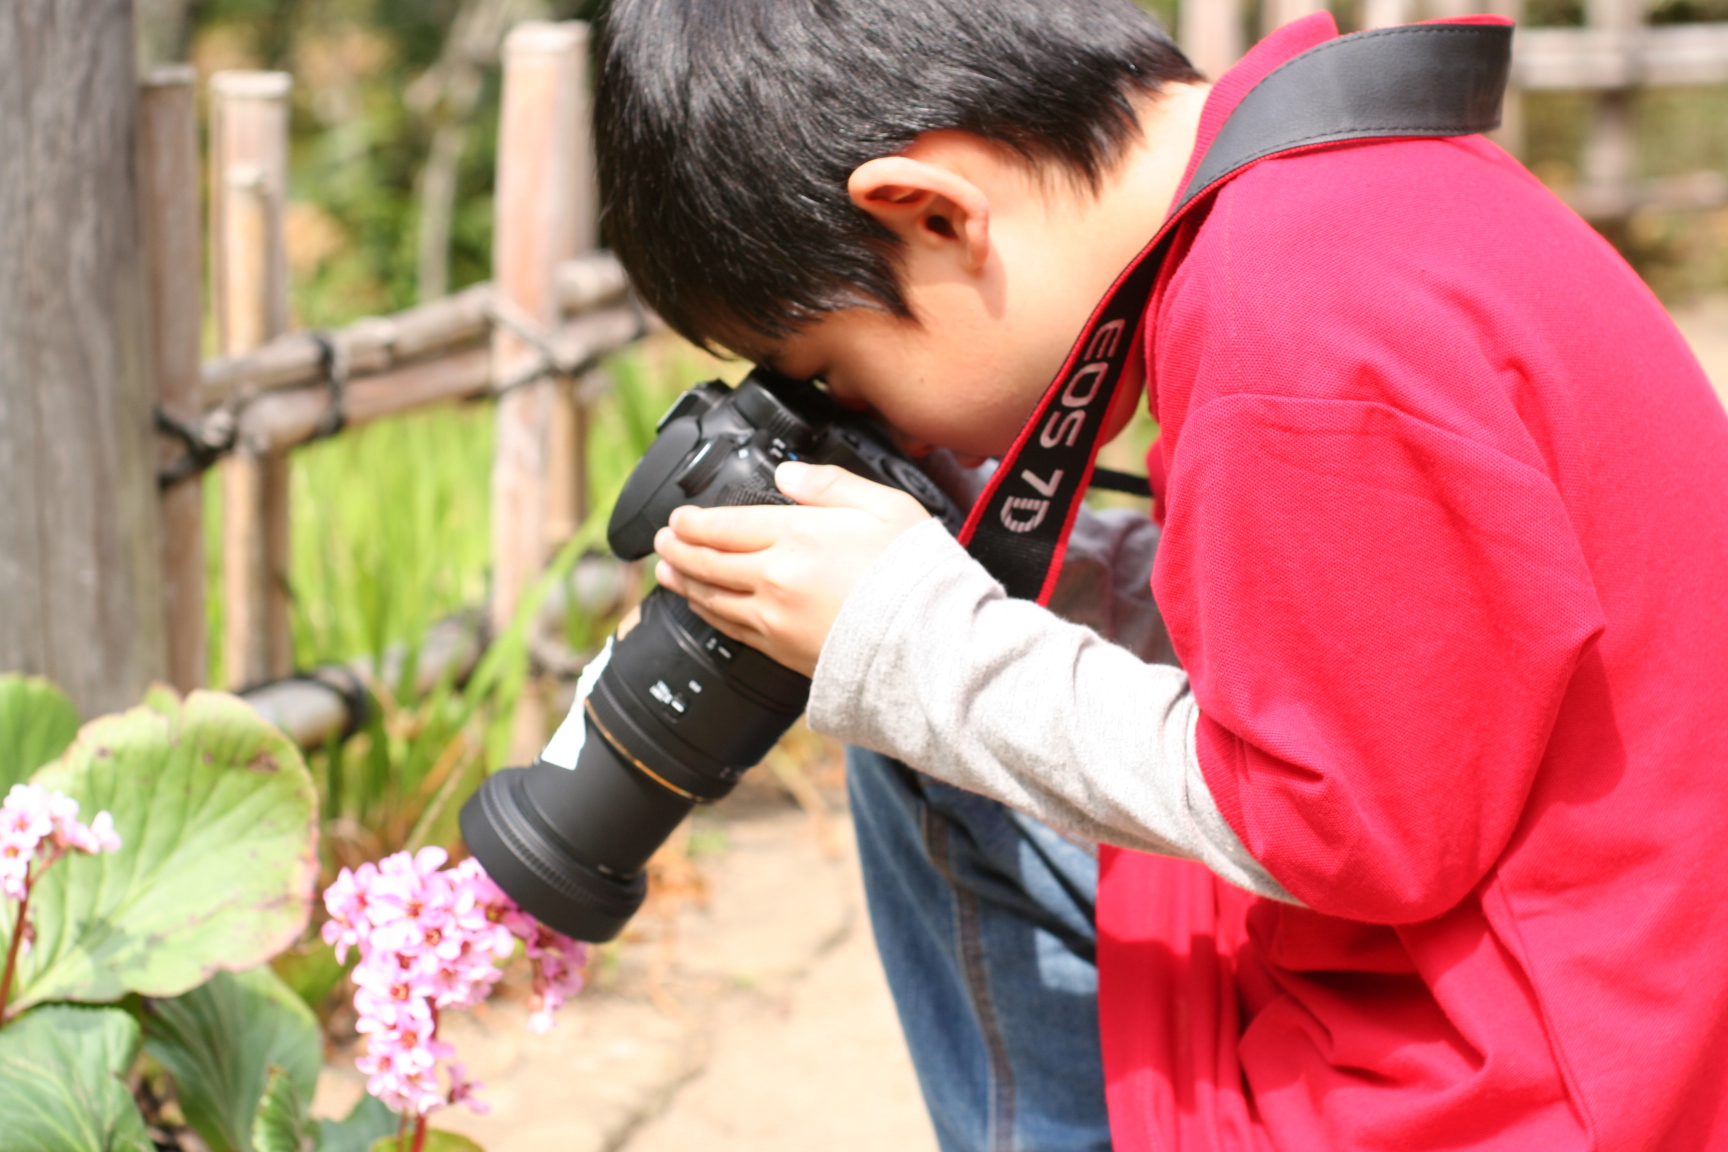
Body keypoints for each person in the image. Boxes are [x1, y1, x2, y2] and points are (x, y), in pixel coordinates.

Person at [592, 0, 1728, 1148]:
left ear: (934, 214)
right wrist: (1010, 573)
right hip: (1616, 982)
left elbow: (1352, 826)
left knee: (921, 723)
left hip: (1521, 1089)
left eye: (836, 373)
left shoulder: (1288, 318)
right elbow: (1387, 628)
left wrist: (912, 645)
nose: (865, 418)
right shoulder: (1354, 178)